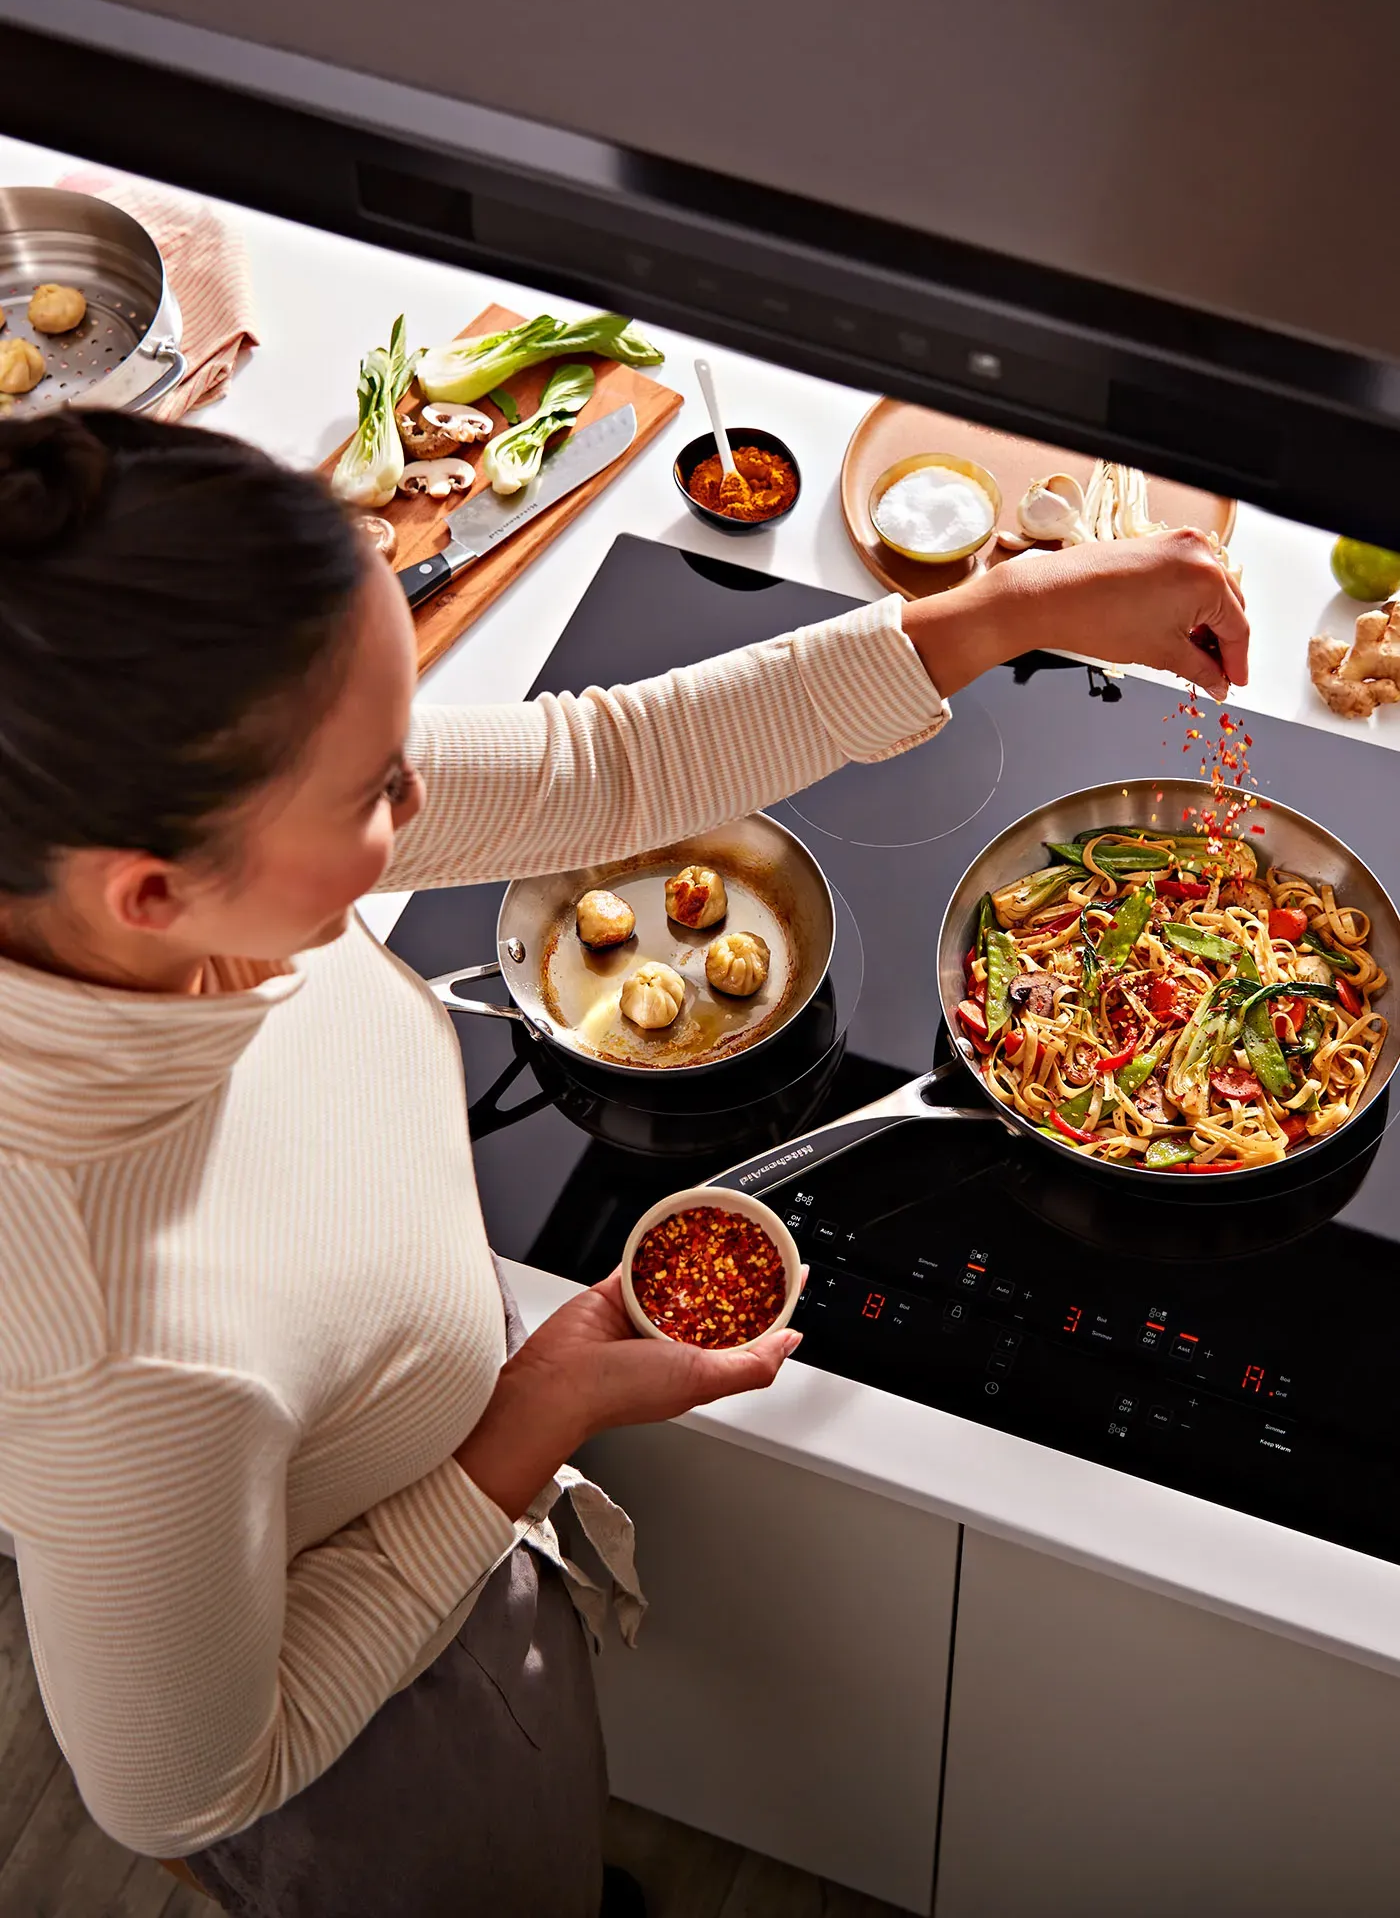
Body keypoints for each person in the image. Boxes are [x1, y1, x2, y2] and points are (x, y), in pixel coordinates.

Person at [0, 409, 1248, 1918]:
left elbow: (600, 766)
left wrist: (1010, 612)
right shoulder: (108, 1355)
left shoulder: (172, 845)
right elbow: (187, 1786)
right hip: (367, 1747)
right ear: (151, 894)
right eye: (378, 792)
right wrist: (534, 1417)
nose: (418, 804)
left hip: (435, 1483)